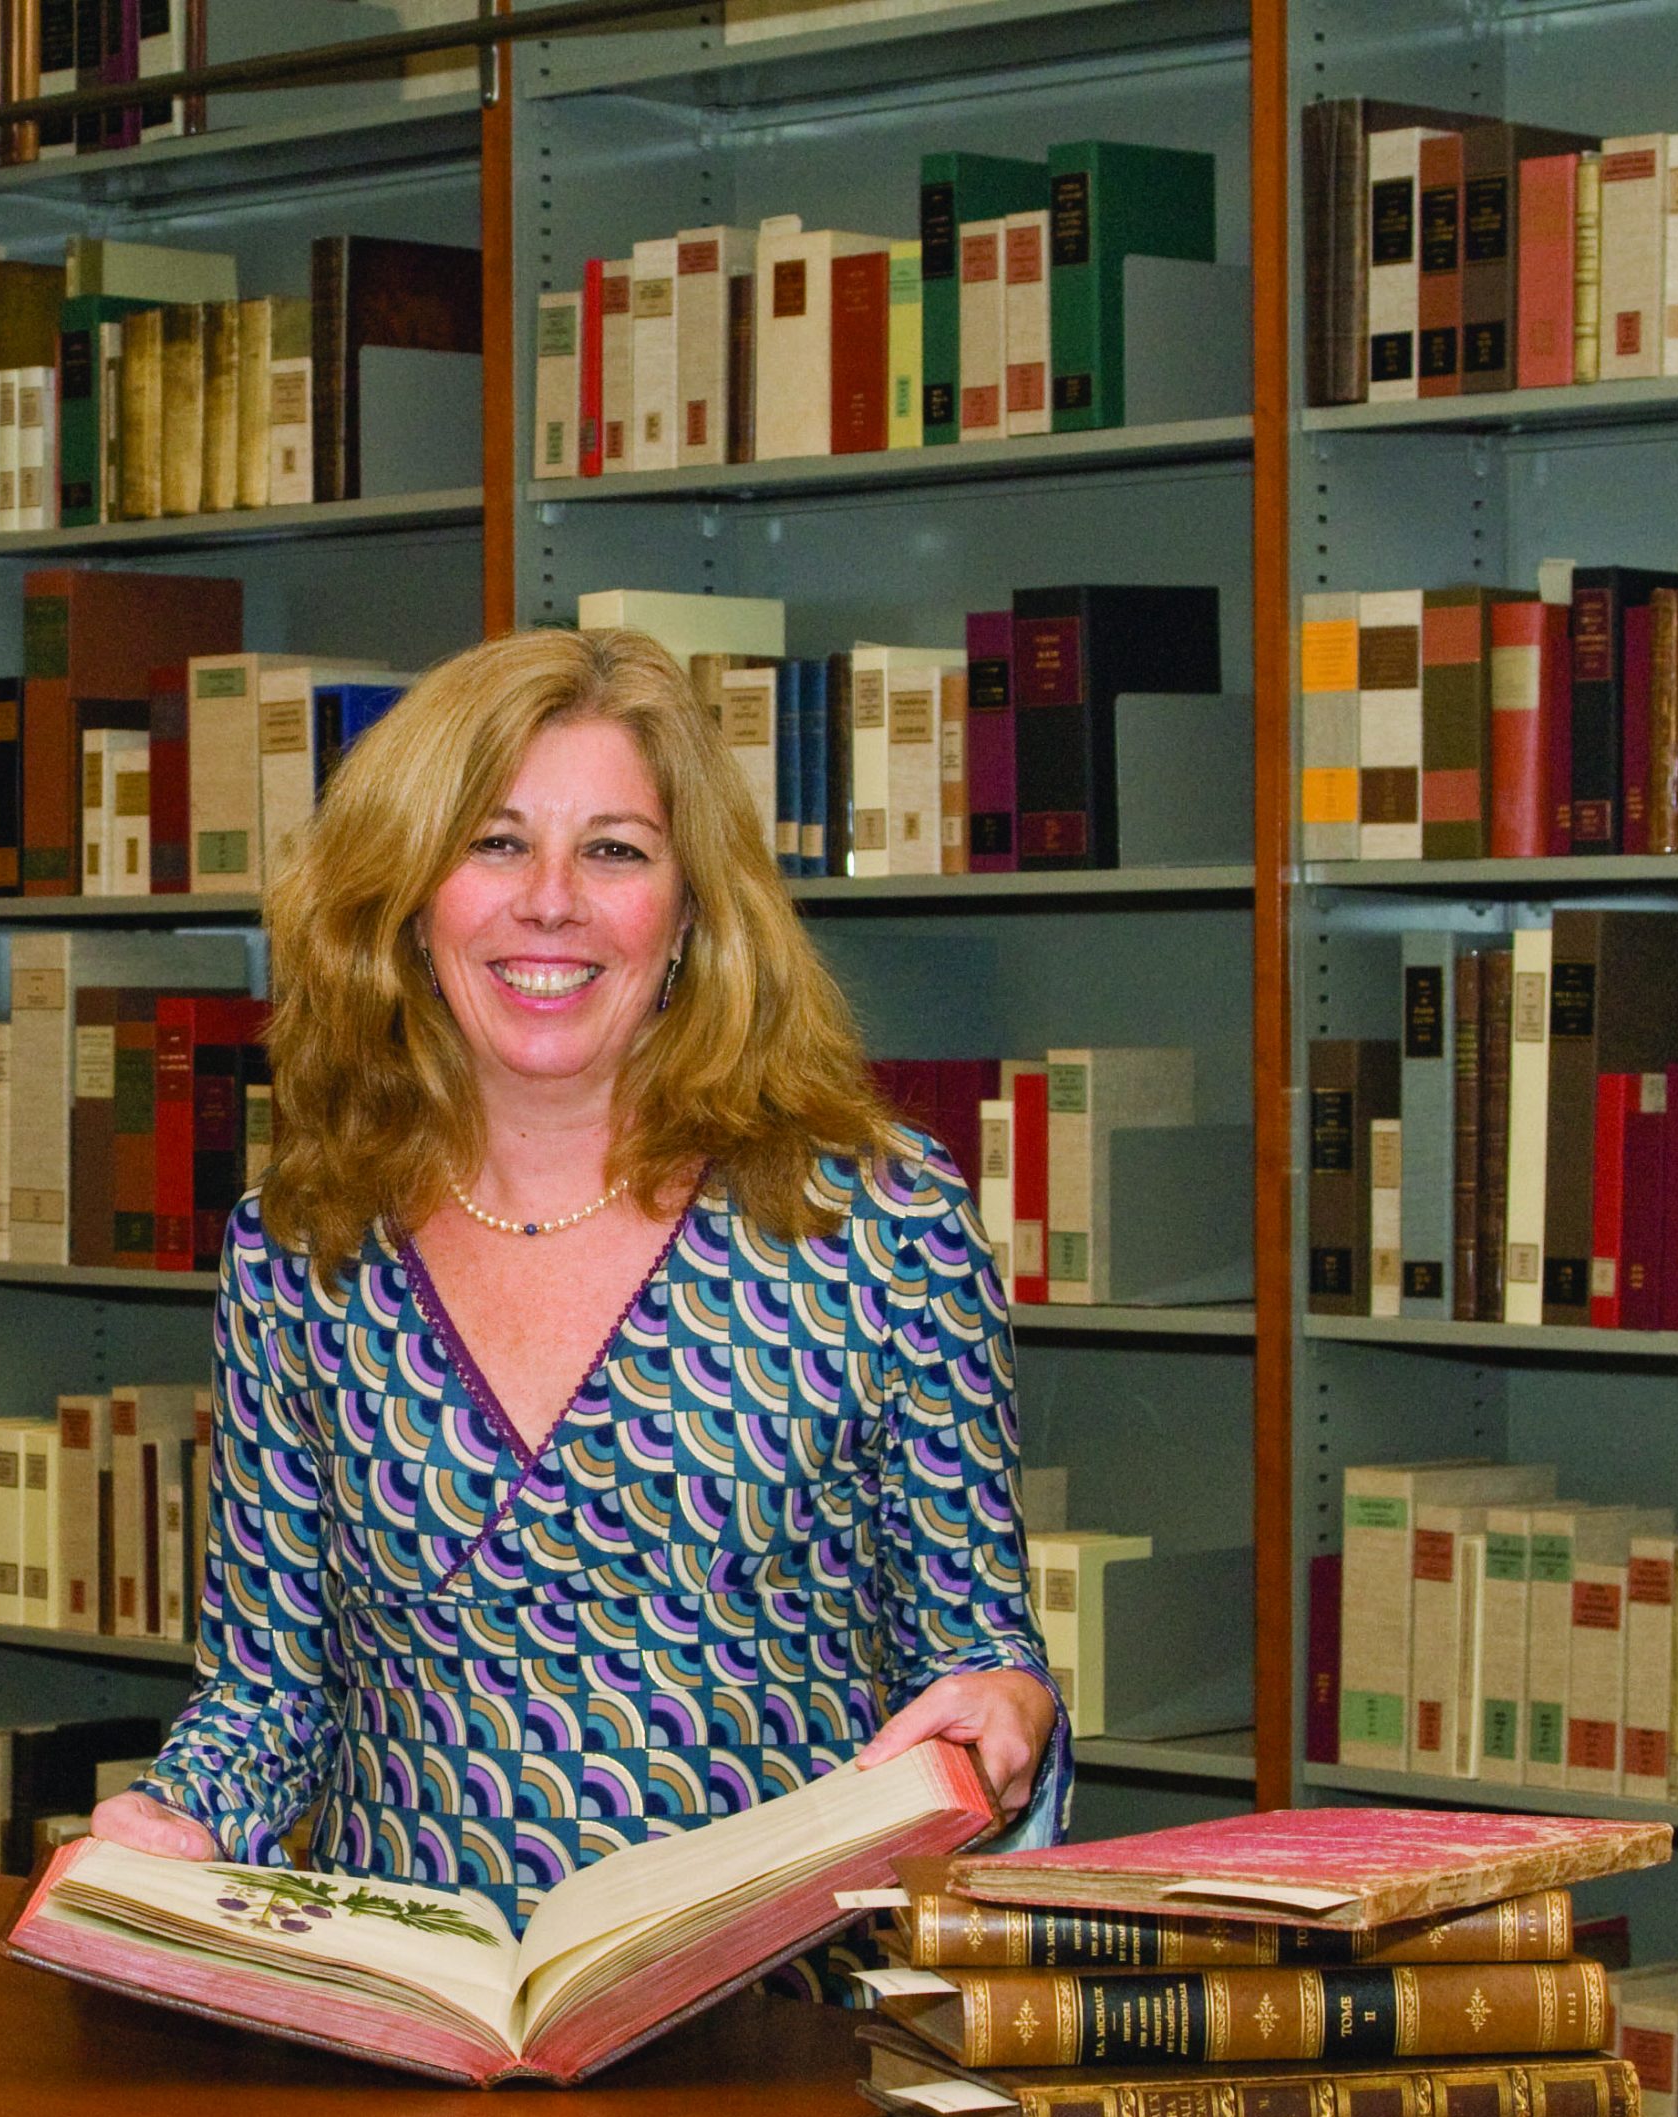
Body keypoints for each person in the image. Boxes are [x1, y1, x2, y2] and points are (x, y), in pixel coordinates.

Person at [92, 626, 1066, 1952]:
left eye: (613, 849)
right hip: (418, 2015)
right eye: (494, 842)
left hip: (774, 2034)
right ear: (409, 897)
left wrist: (1004, 1712)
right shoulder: (303, 1245)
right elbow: (272, 1690)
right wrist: (177, 1821)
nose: (550, 900)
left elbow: (979, 1662)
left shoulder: (877, 1224)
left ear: (689, 913)